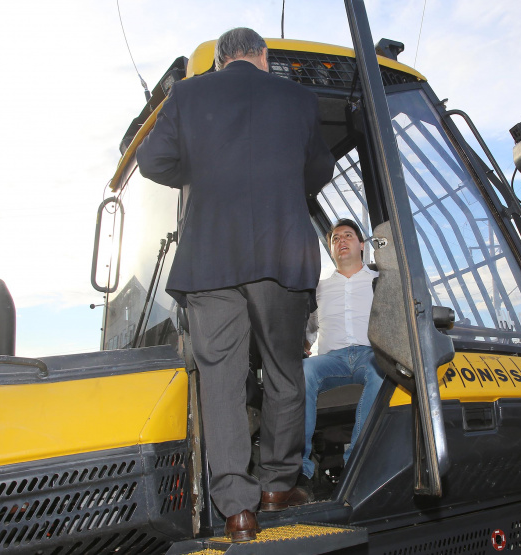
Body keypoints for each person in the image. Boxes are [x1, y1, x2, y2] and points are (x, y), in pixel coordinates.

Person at [136, 27, 336, 542]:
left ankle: (237, 511)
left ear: (222, 60)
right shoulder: (298, 98)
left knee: (221, 383)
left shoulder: (187, 93)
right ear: (262, 57)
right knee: (285, 374)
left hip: (209, 261)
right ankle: (276, 487)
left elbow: (152, 161)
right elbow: (320, 169)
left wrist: (204, 170)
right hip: (281, 255)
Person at [301, 219, 385, 491]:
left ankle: (355, 463)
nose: (341, 241)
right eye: (335, 239)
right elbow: (309, 332)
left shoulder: (379, 282)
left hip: (369, 354)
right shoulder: (319, 289)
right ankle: (300, 468)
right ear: (331, 249)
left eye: (348, 235)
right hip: (331, 361)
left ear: (362, 245)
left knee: (380, 369)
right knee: (303, 371)